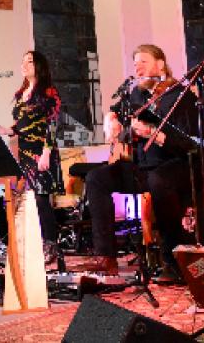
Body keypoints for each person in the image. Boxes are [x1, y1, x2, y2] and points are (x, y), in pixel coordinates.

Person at [82, 44, 198, 280]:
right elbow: (115, 111)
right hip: (143, 168)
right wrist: (111, 120)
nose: (138, 68)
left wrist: (153, 133)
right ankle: (106, 257)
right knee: (96, 178)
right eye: (135, 64)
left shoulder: (181, 95)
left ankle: (171, 259)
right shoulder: (136, 95)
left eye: (143, 62)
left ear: (160, 64)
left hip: (174, 165)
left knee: (158, 181)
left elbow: (190, 144)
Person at [0, 50, 63, 263]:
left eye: (30, 61)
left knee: (42, 198)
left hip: (41, 151)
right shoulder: (20, 94)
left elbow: (53, 124)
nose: (24, 65)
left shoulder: (48, 92)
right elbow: (20, 126)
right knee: (28, 200)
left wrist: (46, 153)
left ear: (39, 66)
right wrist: (5, 130)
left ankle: (51, 244)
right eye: (23, 61)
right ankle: (33, 244)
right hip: (24, 153)